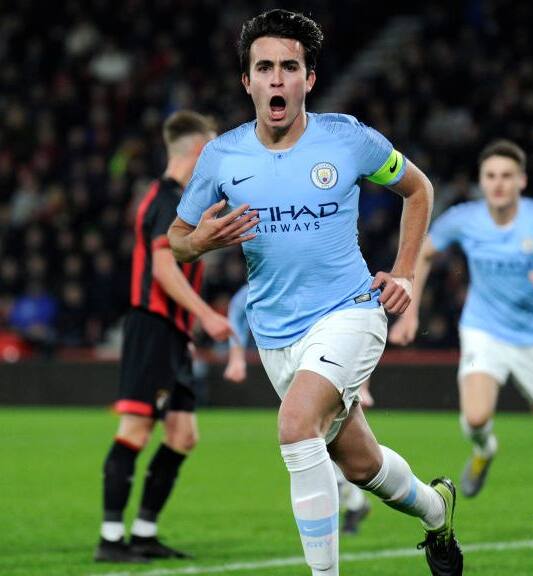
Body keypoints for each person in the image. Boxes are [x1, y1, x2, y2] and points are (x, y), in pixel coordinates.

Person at [167, 10, 463, 576]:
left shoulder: (346, 139)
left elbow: (419, 189)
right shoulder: (222, 156)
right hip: (276, 336)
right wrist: (199, 240)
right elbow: (176, 242)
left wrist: (402, 273)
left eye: (289, 67)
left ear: (309, 79)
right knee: (361, 465)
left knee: (295, 425)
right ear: (246, 82)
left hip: (350, 312)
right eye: (265, 68)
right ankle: (435, 509)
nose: (277, 79)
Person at [390, 139, 533, 542]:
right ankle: (485, 450)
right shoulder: (464, 218)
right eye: (491, 176)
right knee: (475, 418)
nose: (498, 184)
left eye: (507, 176)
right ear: (481, 181)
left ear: (521, 180)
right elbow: (423, 253)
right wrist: (412, 310)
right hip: (483, 329)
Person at [95, 111, 234, 563]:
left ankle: (144, 532)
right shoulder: (167, 199)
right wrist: (205, 316)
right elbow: (162, 266)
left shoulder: (180, 201)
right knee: (135, 428)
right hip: (152, 326)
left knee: (182, 434)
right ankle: (111, 540)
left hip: (172, 332)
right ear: (197, 150)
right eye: (211, 149)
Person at [223, 283, 373, 534]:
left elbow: (354, 321)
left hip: (325, 362)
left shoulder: (315, 277)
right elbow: (237, 310)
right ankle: (355, 503)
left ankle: (347, 509)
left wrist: (363, 386)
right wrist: (236, 356)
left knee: (319, 439)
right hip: (290, 363)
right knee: (319, 439)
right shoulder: (264, 283)